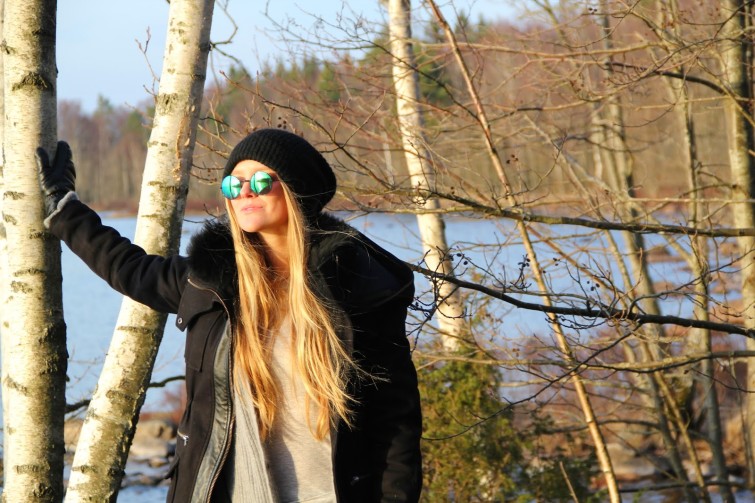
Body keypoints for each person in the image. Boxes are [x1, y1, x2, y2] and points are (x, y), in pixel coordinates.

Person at [37, 128, 423, 502]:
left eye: (260, 182)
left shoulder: (358, 288)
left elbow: (396, 420)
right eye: (233, 185)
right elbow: (131, 269)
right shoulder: (211, 282)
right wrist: (65, 209)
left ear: (298, 189)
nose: (244, 193)